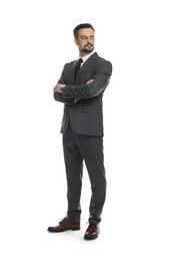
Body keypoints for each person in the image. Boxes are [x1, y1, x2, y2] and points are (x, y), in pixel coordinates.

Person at [47, 23, 112, 240]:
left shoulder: (103, 65)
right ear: (76, 41)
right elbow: (55, 95)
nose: (89, 41)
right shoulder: (68, 67)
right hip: (69, 128)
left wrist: (66, 89)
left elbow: (92, 89)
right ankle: (73, 217)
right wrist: (77, 91)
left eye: (92, 37)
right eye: (84, 38)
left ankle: (94, 221)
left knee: (97, 178)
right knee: (72, 177)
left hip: (90, 129)